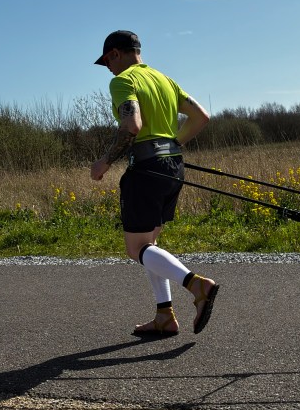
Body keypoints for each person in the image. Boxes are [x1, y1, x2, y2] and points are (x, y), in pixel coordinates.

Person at [90, 29, 219, 336]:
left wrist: (104, 163)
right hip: (173, 166)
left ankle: (196, 285)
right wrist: (174, 144)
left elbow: (132, 124)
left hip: (146, 169)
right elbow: (201, 117)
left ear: (115, 54)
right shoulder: (165, 80)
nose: (107, 68)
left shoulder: (123, 81)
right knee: (150, 245)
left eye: (106, 61)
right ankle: (164, 315)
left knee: (136, 249)